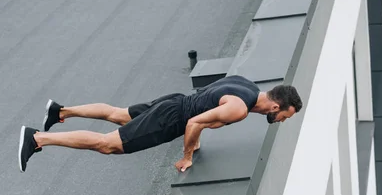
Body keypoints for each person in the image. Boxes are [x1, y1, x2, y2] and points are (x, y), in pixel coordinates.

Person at [18, 75, 302, 173]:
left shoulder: (246, 86)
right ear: (276, 106)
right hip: (172, 118)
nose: (279, 121)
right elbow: (193, 122)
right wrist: (187, 156)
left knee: (118, 113)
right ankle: (38, 139)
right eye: (282, 117)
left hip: (175, 101)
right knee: (109, 145)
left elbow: (206, 102)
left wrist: (201, 128)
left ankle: (60, 112)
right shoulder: (240, 109)